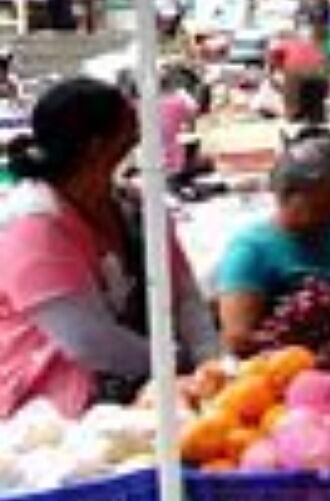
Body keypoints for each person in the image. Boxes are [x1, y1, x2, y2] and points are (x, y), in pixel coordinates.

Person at [0, 80, 216, 415]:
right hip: (48, 404)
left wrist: (210, 364)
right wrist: (177, 362)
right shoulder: (33, 224)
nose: (139, 133)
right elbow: (85, 340)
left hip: (142, 380)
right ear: (96, 146)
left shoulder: (133, 205)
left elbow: (183, 292)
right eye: (129, 128)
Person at [213, 136, 330, 355]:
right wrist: (304, 347)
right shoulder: (251, 250)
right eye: (322, 204)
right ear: (285, 196)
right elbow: (238, 338)